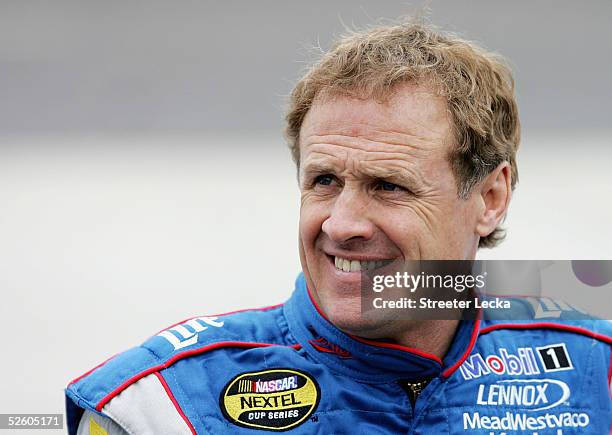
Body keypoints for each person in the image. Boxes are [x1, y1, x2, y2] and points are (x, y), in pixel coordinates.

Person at [65, 21, 612, 434]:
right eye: (324, 180)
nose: (342, 223)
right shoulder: (160, 406)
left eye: (388, 186)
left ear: (491, 198)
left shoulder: (597, 372)